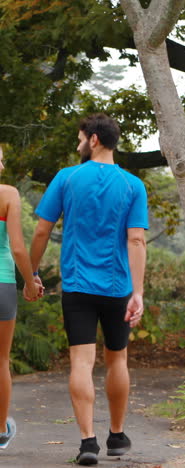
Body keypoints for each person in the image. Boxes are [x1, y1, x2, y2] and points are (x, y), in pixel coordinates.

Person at [29, 113, 148, 466]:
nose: (78, 144)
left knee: (81, 362)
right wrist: (137, 292)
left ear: (93, 139)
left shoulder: (67, 178)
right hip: (118, 288)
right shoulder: (133, 185)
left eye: (80, 138)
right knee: (118, 358)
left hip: (78, 287)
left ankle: (87, 443)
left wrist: (31, 273)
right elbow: (137, 239)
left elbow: (40, 232)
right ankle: (116, 435)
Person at [0, 146, 41, 450]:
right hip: (1, 284)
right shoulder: (8, 194)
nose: (2, 166)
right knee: (1, 360)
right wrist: (30, 282)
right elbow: (16, 248)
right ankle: (1, 430)